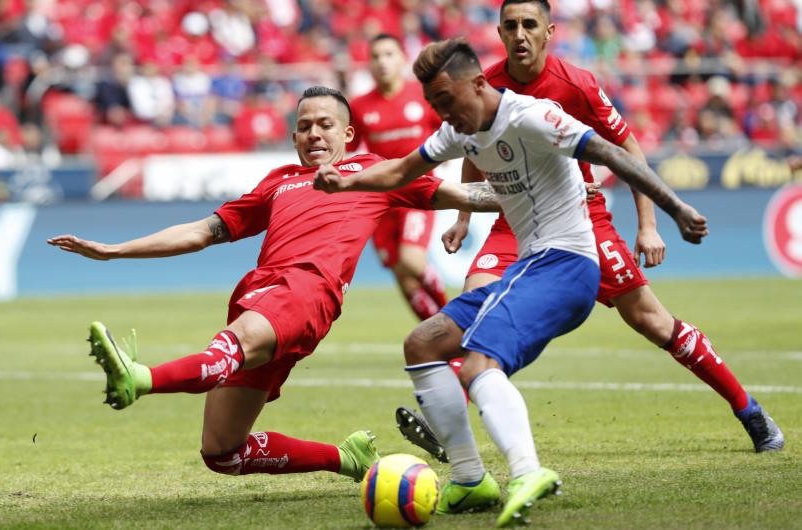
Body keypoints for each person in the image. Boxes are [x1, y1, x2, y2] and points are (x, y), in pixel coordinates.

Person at [314, 38, 708, 527]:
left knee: (479, 361)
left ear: (478, 83)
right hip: (529, 266)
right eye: (434, 105)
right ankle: (469, 478)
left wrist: (676, 209)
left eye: (447, 101)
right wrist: (346, 182)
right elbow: (401, 169)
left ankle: (527, 471)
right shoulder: (459, 128)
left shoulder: (533, 116)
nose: (443, 114)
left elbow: (611, 152)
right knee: (422, 343)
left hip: (567, 265)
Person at [46, 86, 503, 485]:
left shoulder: (376, 172)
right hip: (259, 294)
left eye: (325, 124)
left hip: (308, 291)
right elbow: (204, 231)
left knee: (233, 345)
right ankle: (348, 458)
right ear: (294, 137)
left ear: (347, 134)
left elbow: (464, 195)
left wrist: (537, 191)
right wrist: (114, 250)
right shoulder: (278, 182)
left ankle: (140, 378)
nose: (314, 134)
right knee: (223, 452)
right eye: (304, 126)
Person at [396, 0, 783, 461]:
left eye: (529, 25)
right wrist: (463, 218)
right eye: (511, 26)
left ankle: (748, 409)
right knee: (475, 308)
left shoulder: (576, 84)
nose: (520, 34)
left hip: (580, 220)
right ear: (499, 33)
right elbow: (471, 145)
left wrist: (648, 225)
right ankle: (452, 429)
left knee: (652, 321)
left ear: (549, 31)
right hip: (512, 219)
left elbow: (626, 148)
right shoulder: (482, 83)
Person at [349, 33, 448, 320]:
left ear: (403, 59)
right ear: (368, 63)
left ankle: (455, 320)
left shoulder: (423, 95)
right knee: (402, 275)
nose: (382, 62)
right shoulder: (360, 106)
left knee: (412, 261)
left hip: (417, 193)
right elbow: (349, 148)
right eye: (376, 56)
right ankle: (437, 332)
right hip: (380, 200)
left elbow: (453, 129)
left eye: (389, 54)